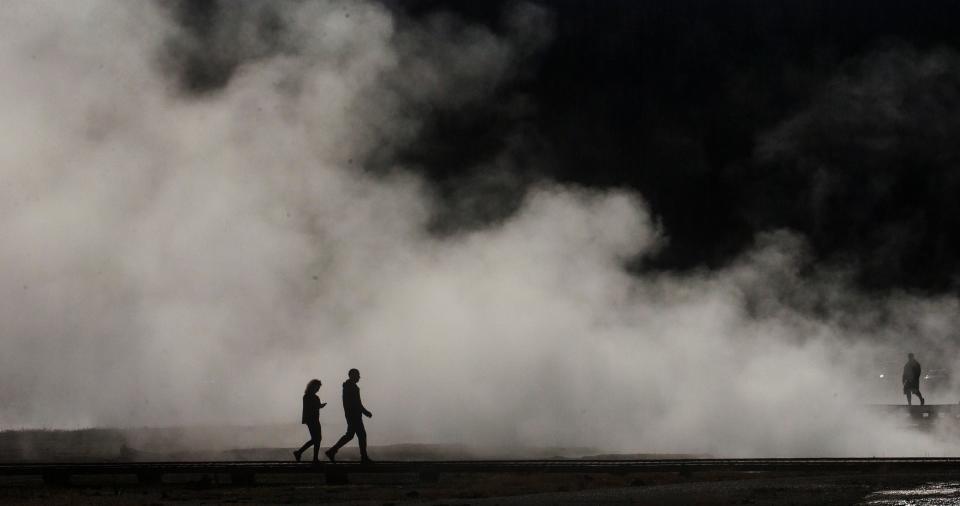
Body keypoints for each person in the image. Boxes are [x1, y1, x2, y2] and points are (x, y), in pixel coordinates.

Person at [325, 368, 373, 463]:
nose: (359, 377)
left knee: (350, 435)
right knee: (361, 435)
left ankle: (332, 451)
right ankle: (363, 457)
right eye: (357, 375)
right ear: (352, 375)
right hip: (354, 415)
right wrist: (366, 412)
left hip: (351, 415)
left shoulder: (348, 386)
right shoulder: (352, 387)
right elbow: (357, 403)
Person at [294, 379, 327, 463]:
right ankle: (312, 457)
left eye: (319, 387)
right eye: (317, 387)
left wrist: (320, 406)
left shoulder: (309, 396)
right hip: (312, 420)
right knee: (317, 438)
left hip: (313, 419)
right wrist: (320, 406)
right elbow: (310, 407)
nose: (318, 389)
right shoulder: (309, 396)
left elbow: (314, 406)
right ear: (313, 386)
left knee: (316, 439)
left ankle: (300, 453)